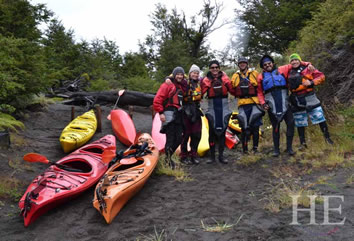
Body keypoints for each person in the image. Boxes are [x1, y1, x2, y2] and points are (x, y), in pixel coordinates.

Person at [287, 53, 334, 147]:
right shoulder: (288, 72)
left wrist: (312, 82)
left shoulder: (309, 68)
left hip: (310, 96)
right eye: (292, 60)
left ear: (299, 60)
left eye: (296, 59)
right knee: (300, 122)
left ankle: (327, 139)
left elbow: (321, 77)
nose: (294, 62)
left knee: (320, 118)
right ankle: (302, 143)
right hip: (296, 99)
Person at [257, 55, 296, 157]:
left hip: (285, 101)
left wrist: (308, 65)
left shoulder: (282, 69)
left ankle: (289, 148)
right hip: (272, 105)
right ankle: (276, 150)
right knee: (276, 127)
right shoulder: (261, 77)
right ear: (263, 67)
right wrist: (263, 103)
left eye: (269, 63)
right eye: (265, 65)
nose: (267, 65)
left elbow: (295, 63)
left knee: (291, 123)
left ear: (273, 63)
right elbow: (260, 92)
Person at [153, 67, 187, 169]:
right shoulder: (167, 85)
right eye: (178, 74)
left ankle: (167, 157)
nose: (180, 76)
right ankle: (167, 161)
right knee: (170, 138)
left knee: (179, 138)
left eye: (181, 74)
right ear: (174, 75)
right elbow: (157, 99)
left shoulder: (182, 86)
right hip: (169, 113)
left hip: (178, 114)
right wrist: (160, 112)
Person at [201, 60, 234, 164]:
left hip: (223, 106)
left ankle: (221, 156)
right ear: (210, 69)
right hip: (212, 106)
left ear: (219, 68)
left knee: (223, 131)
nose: (214, 69)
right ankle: (212, 157)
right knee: (212, 132)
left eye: (216, 67)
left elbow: (233, 91)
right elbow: (200, 93)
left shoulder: (225, 78)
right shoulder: (206, 80)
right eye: (212, 68)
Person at [231, 57, 263, 154]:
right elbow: (232, 89)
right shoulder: (235, 76)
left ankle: (255, 149)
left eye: (244, 63)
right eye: (240, 63)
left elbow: (260, 86)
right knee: (244, 127)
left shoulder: (254, 73)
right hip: (242, 104)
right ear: (238, 65)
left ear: (247, 64)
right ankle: (245, 150)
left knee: (255, 127)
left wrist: (262, 102)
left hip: (254, 103)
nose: (242, 64)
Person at [180, 64, 203, 165]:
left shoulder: (200, 82)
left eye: (197, 73)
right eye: (194, 72)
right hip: (186, 110)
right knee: (186, 135)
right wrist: (168, 78)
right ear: (190, 74)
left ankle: (193, 155)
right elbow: (173, 76)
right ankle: (184, 156)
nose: (195, 74)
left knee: (197, 134)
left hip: (196, 110)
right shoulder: (184, 82)